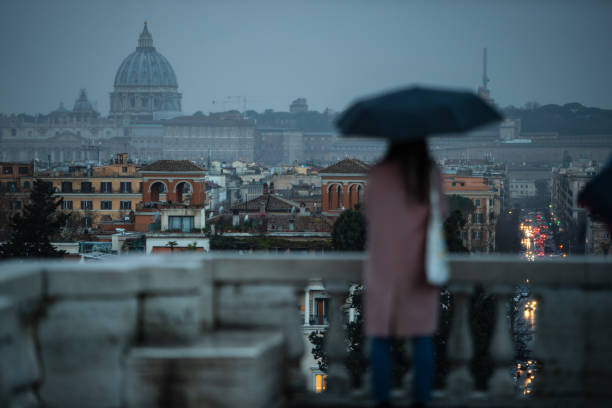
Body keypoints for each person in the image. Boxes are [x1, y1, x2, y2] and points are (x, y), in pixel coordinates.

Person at [363, 140, 444, 407]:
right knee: (421, 337)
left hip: (383, 264)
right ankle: (421, 400)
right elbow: (439, 215)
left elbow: (369, 213)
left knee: (381, 338)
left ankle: (382, 399)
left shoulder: (378, 173)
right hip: (418, 265)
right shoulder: (429, 173)